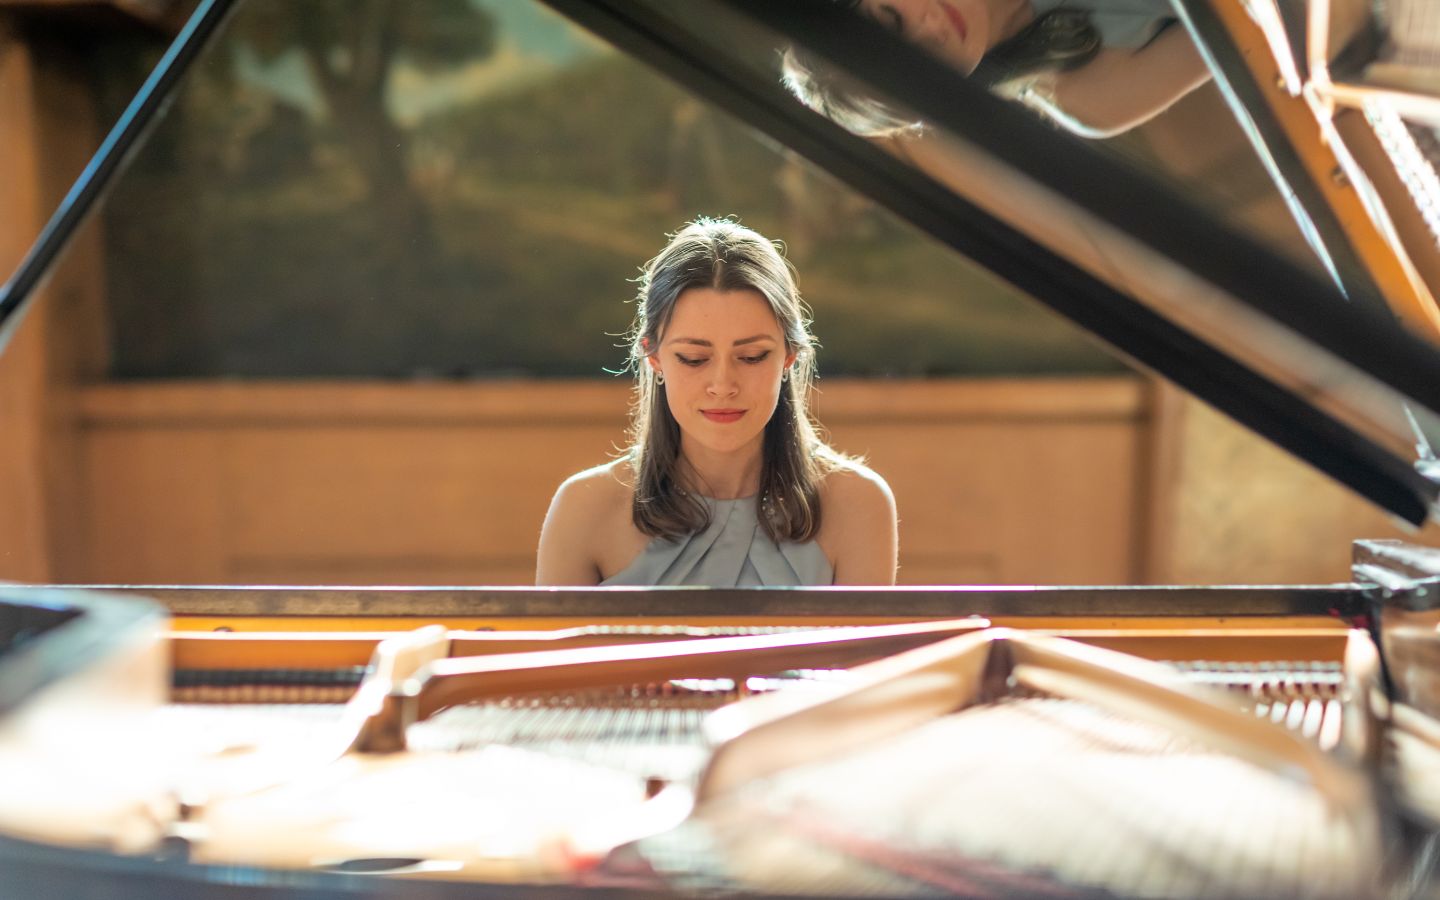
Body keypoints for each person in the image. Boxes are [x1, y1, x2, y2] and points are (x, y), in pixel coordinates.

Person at [535, 218, 898, 586]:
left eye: (752, 356)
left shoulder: (858, 504)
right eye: (693, 358)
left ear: (789, 356)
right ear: (654, 357)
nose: (723, 386)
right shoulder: (584, 508)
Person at [783, 0, 1213, 139]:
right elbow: (1263, 34)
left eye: (894, 20)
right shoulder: (1088, 96)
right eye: (920, 67)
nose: (930, 34)